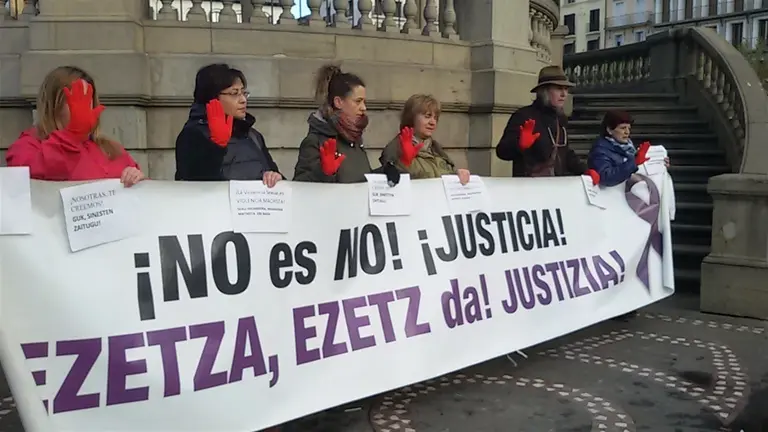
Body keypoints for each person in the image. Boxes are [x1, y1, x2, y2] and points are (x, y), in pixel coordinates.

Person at [6, 66, 144, 186]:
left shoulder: (111, 149)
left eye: (88, 99)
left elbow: (142, 198)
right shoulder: (28, 146)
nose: (84, 108)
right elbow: (31, 180)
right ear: (55, 105)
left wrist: (137, 179)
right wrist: (71, 137)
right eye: (76, 100)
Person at [175, 63, 283, 186]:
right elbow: (192, 183)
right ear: (213, 98)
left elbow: (273, 172)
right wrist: (216, 147)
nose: (243, 100)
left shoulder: (253, 136)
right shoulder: (192, 135)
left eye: (244, 93)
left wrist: (275, 177)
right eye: (234, 93)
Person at [293, 64, 399, 184]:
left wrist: (387, 170)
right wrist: (324, 173)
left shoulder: (355, 140)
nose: (363, 108)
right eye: (358, 101)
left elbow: (360, 180)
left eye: (364, 102)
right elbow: (300, 187)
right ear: (338, 102)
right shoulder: (315, 141)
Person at [496, 66, 595, 184]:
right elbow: (502, 152)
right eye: (558, 88)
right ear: (545, 91)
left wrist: (585, 171)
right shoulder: (524, 115)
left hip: (555, 188)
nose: (564, 94)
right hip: (529, 188)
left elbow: (565, 153)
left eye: (566, 89)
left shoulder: (560, 118)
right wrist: (519, 144)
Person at [380, 94, 471, 184]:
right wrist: (405, 162)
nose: (433, 122)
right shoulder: (396, 150)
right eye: (427, 116)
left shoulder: (438, 151)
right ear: (411, 118)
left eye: (435, 118)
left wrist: (458, 175)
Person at [587, 110, 650, 187]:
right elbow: (606, 177)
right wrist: (634, 162)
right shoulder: (600, 151)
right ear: (609, 130)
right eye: (623, 128)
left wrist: (659, 163)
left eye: (629, 128)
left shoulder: (628, 148)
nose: (627, 132)